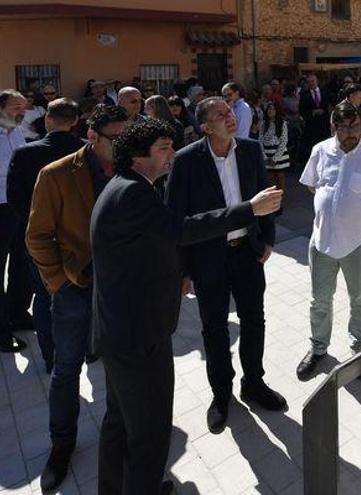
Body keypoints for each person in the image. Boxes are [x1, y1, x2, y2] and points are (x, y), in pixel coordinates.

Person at [92, 119, 282, 495]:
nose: (170, 155)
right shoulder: (133, 194)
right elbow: (182, 228)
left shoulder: (128, 187)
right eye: (163, 148)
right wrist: (249, 209)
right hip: (139, 335)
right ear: (137, 156)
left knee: (119, 423)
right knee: (148, 432)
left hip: (121, 330)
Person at [165, 97, 287, 434]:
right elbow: (177, 220)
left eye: (230, 111)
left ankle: (254, 383)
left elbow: (266, 196)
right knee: (214, 327)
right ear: (204, 126)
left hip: (247, 252)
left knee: (253, 320)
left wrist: (268, 239)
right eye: (220, 114)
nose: (229, 117)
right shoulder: (187, 161)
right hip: (208, 258)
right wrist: (184, 269)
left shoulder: (249, 150)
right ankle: (222, 395)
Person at [26, 104, 130, 491]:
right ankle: (62, 445)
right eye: (115, 139)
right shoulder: (55, 175)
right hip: (75, 289)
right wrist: (59, 280)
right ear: (91, 135)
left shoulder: (129, 170)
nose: (123, 146)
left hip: (120, 290)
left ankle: (122, 438)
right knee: (66, 369)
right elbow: (37, 237)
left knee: (122, 364)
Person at [295, 101, 361, 380]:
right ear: (333, 127)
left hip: (358, 242)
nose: (350, 132)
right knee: (320, 300)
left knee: (360, 299)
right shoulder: (320, 151)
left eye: (355, 126)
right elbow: (311, 183)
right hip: (322, 241)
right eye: (343, 127)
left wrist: (360, 206)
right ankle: (318, 348)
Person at [7, 98, 84, 372]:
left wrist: (35, 225)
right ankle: (85, 348)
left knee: (43, 295)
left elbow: (15, 199)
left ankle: (51, 356)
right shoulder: (86, 151)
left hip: (40, 238)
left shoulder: (26, 153)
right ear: (75, 122)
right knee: (82, 293)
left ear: (48, 119)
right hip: (79, 239)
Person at [0, 90, 30, 353]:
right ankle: (1, 333)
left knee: (22, 263)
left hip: (17, 206)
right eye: (14, 107)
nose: (21, 111)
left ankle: (18, 314)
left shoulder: (17, 131)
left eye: (23, 107)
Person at [259, 101, 290, 193]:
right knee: (270, 179)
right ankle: (272, 200)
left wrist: (275, 158)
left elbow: (284, 140)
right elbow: (260, 140)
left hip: (279, 154)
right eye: (269, 109)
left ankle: (280, 199)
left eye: (273, 109)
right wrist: (264, 157)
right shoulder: (263, 124)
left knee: (280, 177)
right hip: (267, 153)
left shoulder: (282, 123)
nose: (271, 111)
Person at [300, 74, 332, 158]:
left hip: (324, 123)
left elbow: (330, 105)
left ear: (316, 81)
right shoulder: (304, 95)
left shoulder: (325, 92)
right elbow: (301, 110)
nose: (311, 83)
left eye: (313, 81)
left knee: (325, 143)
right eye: (309, 82)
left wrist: (324, 111)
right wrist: (312, 112)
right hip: (312, 125)